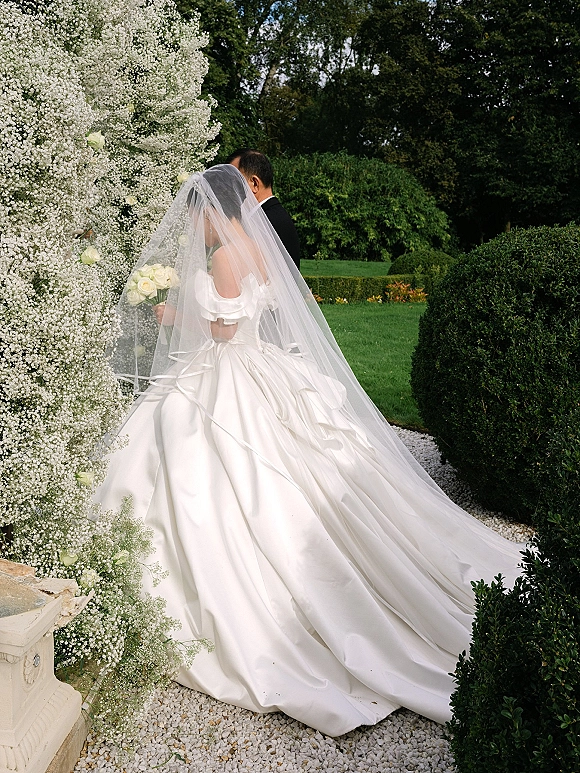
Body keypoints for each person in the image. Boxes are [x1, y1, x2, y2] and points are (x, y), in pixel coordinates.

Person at [97, 164, 523, 737]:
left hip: (228, 373)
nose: (192, 225)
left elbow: (222, 331)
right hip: (260, 366)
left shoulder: (223, 254)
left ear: (211, 211)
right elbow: (257, 308)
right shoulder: (255, 244)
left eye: (196, 213)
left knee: (199, 454)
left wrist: (174, 313)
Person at [226, 149, 301, 270]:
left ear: (255, 183)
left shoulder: (264, 223)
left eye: (233, 182)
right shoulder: (273, 215)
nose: (228, 189)